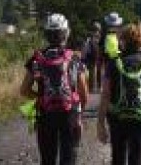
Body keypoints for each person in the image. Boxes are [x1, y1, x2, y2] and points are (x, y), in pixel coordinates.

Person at [20, 13, 89, 165]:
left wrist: (39, 97)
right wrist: (80, 113)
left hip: (45, 114)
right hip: (69, 114)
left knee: (47, 159)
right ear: (66, 33)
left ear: (46, 34)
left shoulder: (37, 58)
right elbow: (84, 93)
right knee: (68, 158)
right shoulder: (74, 58)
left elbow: (24, 90)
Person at [97, 22, 141, 165]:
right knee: (138, 159)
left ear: (122, 41)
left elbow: (105, 94)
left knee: (118, 158)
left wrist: (100, 123)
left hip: (118, 117)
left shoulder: (113, 64)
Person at [81, 21, 102, 92]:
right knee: (97, 71)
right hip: (98, 56)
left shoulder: (90, 37)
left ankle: (91, 87)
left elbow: (85, 48)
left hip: (91, 57)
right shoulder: (100, 36)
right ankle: (98, 87)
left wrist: (83, 57)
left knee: (92, 72)